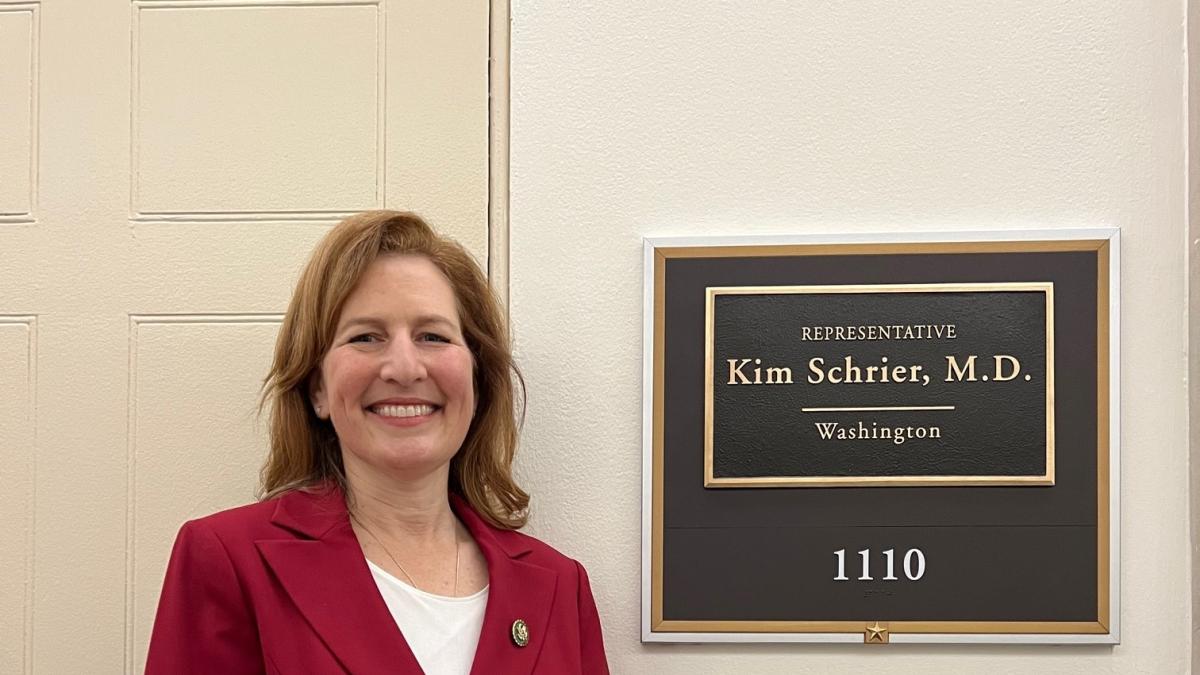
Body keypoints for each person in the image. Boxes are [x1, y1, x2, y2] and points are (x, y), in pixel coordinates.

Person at [145, 211, 609, 674]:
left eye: (433, 336)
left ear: (477, 380)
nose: (404, 368)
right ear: (318, 388)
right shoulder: (228, 560)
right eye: (366, 337)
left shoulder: (559, 588)